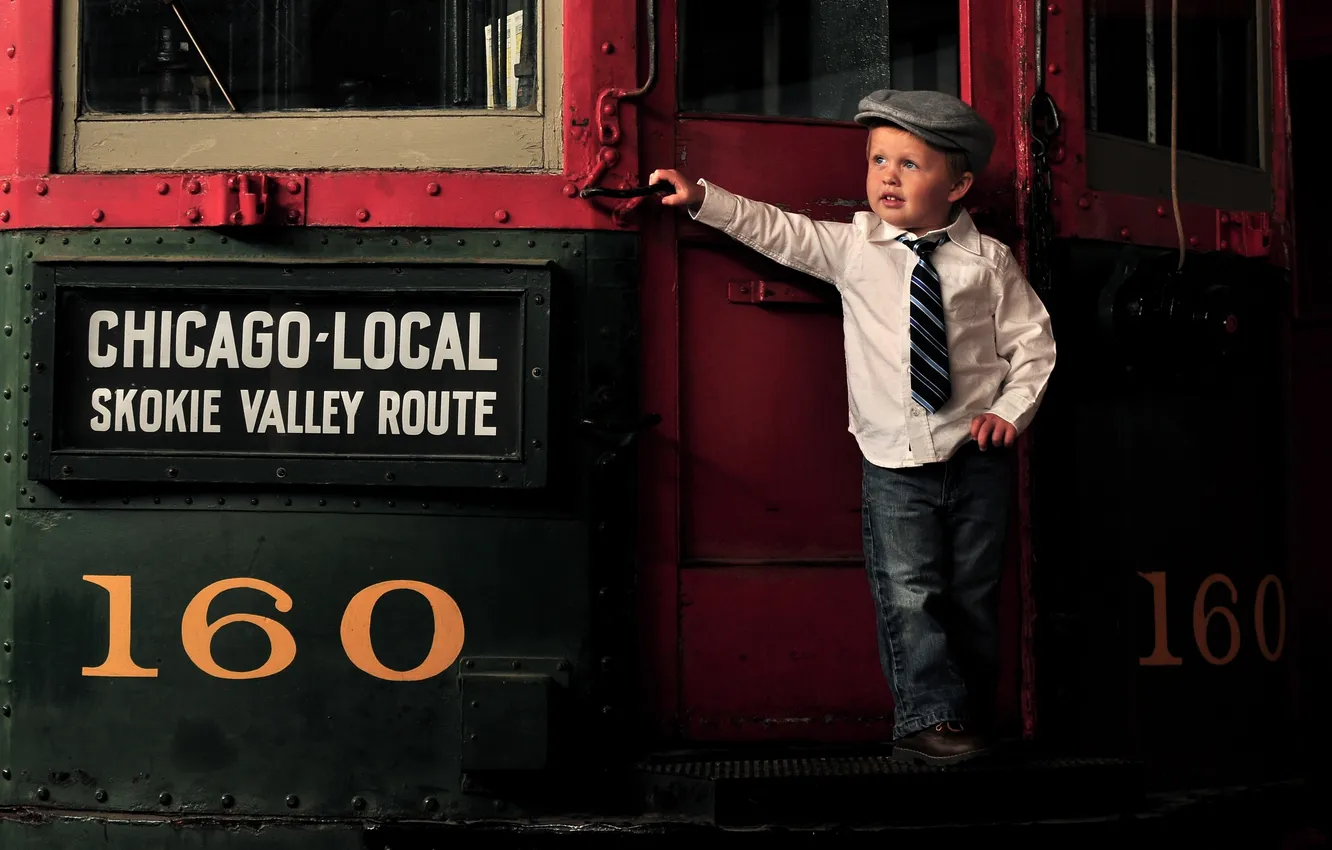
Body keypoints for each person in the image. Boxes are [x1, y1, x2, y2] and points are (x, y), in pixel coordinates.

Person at [649, 88, 1056, 766]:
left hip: (978, 456)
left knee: (974, 595)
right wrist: (702, 199)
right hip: (894, 462)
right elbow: (778, 230)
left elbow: (1033, 346)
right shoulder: (855, 248)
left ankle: (972, 716)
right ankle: (928, 719)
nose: (887, 177)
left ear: (957, 185)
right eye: (877, 161)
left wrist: (1009, 412)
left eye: (909, 164)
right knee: (910, 593)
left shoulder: (988, 263)